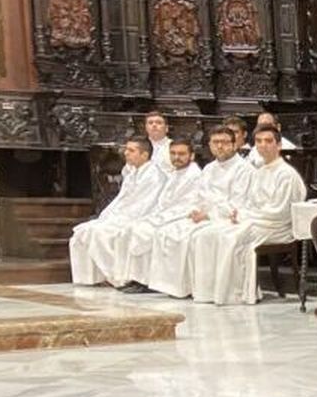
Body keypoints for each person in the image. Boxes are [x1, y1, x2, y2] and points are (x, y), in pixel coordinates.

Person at [187, 124, 304, 305]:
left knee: (228, 237)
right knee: (208, 234)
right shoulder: (260, 171)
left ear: (279, 145)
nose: (263, 145)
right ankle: (209, 292)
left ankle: (235, 294)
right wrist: (240, 213)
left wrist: (243, 216)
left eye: (268, 141)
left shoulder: (286, 174)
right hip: (257, 221)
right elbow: (250, 202)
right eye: (258, 141)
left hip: (276, 227)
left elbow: (279, 212)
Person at [148, 127, 254, 298]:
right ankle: (176, 287)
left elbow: (239, 202)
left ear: (234, 145)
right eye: (215, 142)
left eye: (225, 142)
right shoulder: (209, 169)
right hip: (203, 216)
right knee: (166, 232)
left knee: (193, 237)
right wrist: (195, 211)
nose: (220, 146)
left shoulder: (244, 169)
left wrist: (209, 214)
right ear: (210, 145)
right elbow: (197, 196)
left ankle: (200, 289)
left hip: (226, 219)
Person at [91, 137, 201, 292]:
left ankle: (145, 282)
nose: (176, 157)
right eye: (173, 153)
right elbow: (163, 202)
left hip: (180, 217)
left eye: (181, 154)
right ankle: (129, 278)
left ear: (192, 155)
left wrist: (161, 217)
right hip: (163, 215)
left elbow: (188, 204)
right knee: (132, 229)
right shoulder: (176, 174)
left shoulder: (194, 175)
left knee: (141, 232)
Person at [70, 136, 167, 285]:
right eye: (126, 149)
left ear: (145, 154)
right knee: (81, 232)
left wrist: (117, 219)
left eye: (131, 150)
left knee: (99, 233)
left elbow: (145, 205)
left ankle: (118, 277)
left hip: (139, 218)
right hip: (121, 216)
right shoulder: (132, 173)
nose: (126, 153)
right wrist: (106, 216)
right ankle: (90, 278)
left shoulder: (154, 175)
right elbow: (120, 200)